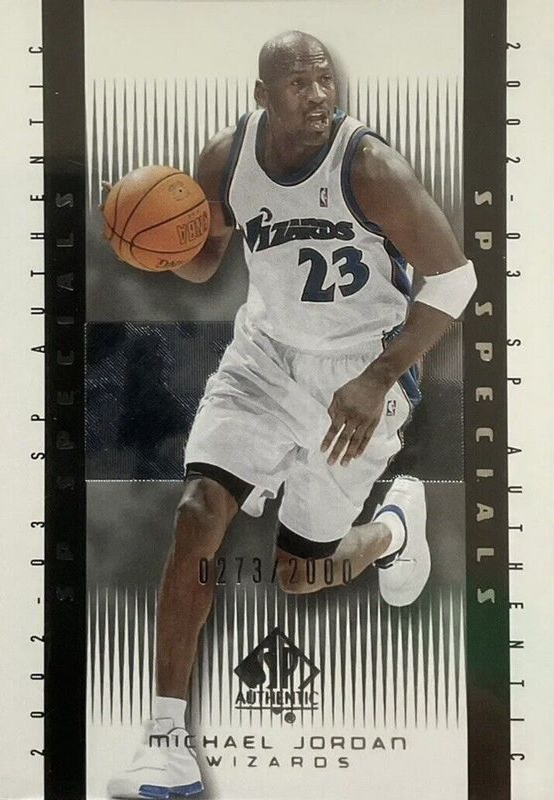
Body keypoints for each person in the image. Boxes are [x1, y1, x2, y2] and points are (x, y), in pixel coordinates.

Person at [108, 30, 476, 799]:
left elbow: (453, 280)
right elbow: (205, 260)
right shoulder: (226, 158)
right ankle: (165, 742)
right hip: (264, 358)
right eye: (300, 83)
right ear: (262, 94)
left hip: (360, 371)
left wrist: (379, 377)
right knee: (198, 511)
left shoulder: (369, 167)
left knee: (300, 575)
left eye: (325, 80)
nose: (319, 95)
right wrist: (155, 239)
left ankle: (393, 529)